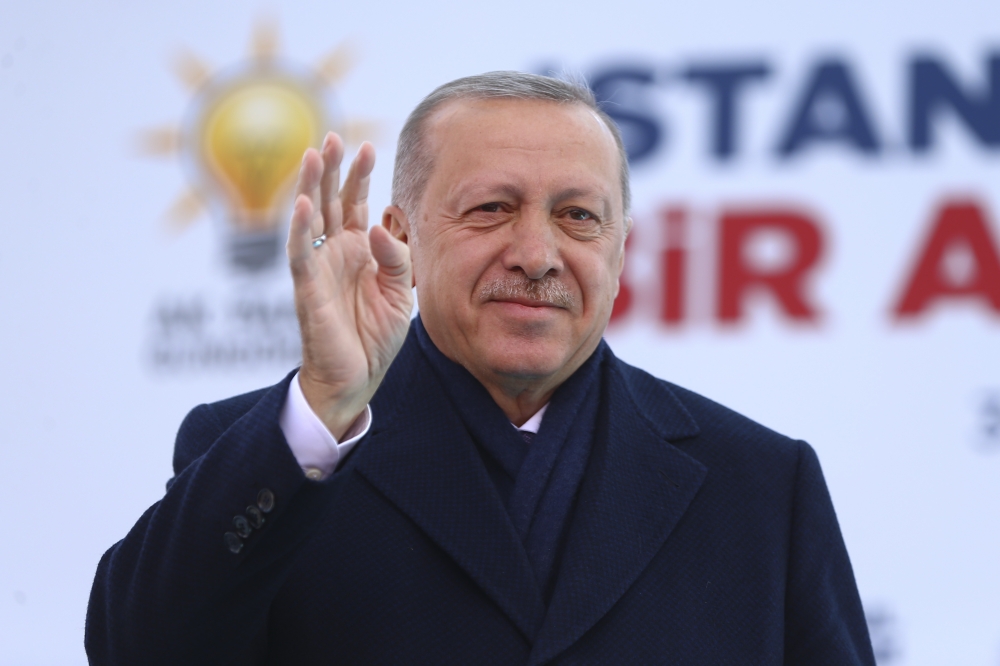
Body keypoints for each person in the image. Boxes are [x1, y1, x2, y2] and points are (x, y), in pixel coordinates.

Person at [86, 71, 876, 665]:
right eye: (491, 208)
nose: (536, 254)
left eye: (578, 216)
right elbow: (137, 649)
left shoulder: (762, 486)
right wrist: (324, 405)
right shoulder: (279, 452)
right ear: (401, 234)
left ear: (622, 246)